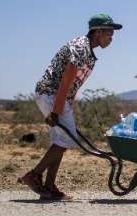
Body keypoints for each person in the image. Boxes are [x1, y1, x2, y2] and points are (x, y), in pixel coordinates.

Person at [18, 13, 122, 200]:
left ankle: (49, 188)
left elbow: (74, 82)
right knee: (67, 139)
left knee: (59, 140)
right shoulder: (81, 47)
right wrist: (57, 110)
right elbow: (66, 79)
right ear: (97, 32)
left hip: (58, 97)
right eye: (109, 32)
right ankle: (34, 175)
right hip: (52, 94)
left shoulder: (88, 50)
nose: (112, 37)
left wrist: (68, 103)